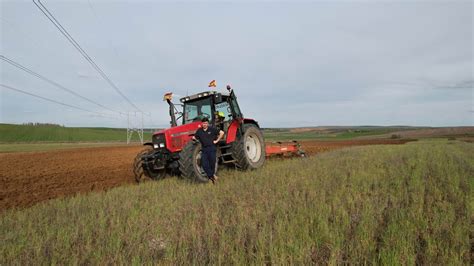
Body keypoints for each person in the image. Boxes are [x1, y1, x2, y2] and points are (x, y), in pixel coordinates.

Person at [192, 117, 224, 183]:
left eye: (206, 123)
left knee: (212, 163)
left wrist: (217, 140)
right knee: (204, 164)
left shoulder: (212, 129)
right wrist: (194, 138)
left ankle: (211, 179)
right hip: (204, 149)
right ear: (202, 124)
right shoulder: (199, 131)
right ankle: (212, 175)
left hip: (212, 148)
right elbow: (195, 137)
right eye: (203, 123)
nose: (205, 124)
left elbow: (222, 133)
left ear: (208, 123)